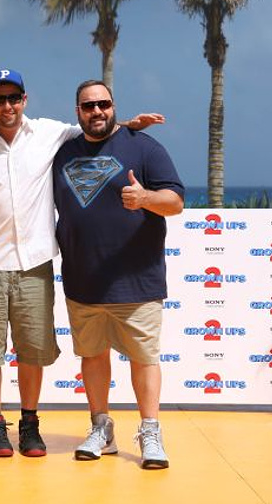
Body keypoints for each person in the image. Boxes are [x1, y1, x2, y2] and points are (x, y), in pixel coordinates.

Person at [0, 68, 164, 458]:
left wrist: (131, 124)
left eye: (14, 97)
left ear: (25, 100)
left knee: (32, 351)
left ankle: (29, 423)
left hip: (34, 263)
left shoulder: (51, 133)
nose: (8, 105)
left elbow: (98, 127)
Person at [53, 80, 184, 469]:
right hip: (82, 280)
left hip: (136, 281)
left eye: (104, 104)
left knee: (144, 359)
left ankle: (150, 431)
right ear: (77, 112)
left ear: (114, 106)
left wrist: (145, 198)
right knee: (92, 358)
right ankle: (101, 428)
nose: (97, 112)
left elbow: (175, 201)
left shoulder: (145, 148)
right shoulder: (63, 152)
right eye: (88, 106)